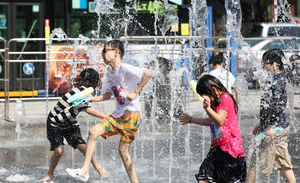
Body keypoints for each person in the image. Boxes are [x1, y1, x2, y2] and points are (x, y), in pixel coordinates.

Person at [66, 40, 152, 183]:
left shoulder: (124, 67)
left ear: (116, 52)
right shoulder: (110, 73)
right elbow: (106, 95)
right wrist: (91, 99)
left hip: (131, 114)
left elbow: (148, 74)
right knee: (93, 132)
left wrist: (135, 92)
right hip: (118, 115)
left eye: (105, 51)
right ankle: (85, 171)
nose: (102, 54)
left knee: (123, 151)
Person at [42, 68, 108, 182]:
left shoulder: (85, 92)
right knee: (59, 151)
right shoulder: (79, 92)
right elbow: (88, 110)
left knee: (83, 147)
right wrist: (106, 117)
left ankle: (97, 166)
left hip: (70, 122)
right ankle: (50, 173)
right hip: (54, 123)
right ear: (94, 82)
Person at [179, 74, 246, 183]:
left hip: (229, 150)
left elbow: (219, 121)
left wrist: (207, 109)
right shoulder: (216, 102)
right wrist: (191, 120)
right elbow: (212, 121)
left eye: (203, 95)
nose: (202, 98)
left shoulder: (225, 98)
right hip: (217, 147)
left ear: (213, 90)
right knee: (203, 178)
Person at [245, 48, 296, 183]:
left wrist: (269, 126)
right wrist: (261, 124)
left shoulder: (278, 81)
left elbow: (278, 105)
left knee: (255, 161)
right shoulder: (276, 79)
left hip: (275, 129)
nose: (262, 66)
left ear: (276, 64)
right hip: (277, 127)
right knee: (283, 163)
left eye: (265, 63)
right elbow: (270, 107)